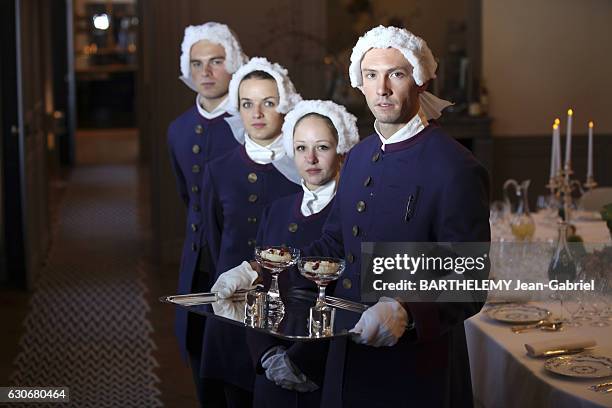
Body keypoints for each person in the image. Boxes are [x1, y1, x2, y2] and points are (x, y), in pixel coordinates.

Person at [215, 25, 491, 408]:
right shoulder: (359, 157)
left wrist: (406, 310)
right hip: (348, 360)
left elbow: (470, 277)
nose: (382, 89)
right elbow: (333, 244)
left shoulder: (455, 166)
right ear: (358, 84)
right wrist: (258, 271)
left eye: (396, 74)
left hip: (417, 370)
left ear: (423, 80)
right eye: (371, 75)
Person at [213, 100, 359, 407]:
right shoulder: (276, 210)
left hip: (321, 371)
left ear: (342, 151)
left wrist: (303, 361)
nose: (312, 158)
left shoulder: (353, 216)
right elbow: (260, 291)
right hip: (272, 370)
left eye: (322, 147)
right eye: (302, 147)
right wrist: (266, 354)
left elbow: (349, 297)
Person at [199, 57, 303, 407]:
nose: (257, 113)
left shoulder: (304, 171)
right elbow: (215, 243)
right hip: (230, 319)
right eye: (247, 104)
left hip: (286, 320)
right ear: (237, 109)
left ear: (285, 107)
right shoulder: (218, 171)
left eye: (268, 103)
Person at [166, 22, 248, 406]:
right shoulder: (178, 130)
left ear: (233, 64)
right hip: (197, 265)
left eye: (216, 61)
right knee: (203, 374)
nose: (207, 72)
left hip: (243, 262)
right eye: (198, 63)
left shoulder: (253, 121)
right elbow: (189, 198)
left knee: (242, 373)